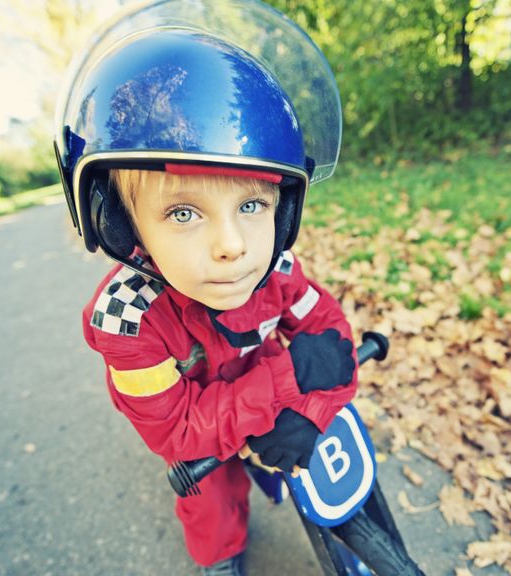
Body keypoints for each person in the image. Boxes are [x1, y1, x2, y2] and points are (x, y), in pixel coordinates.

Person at [53, 7, 356, 575]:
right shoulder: (127, 321)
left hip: (261, 405)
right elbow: (177, 432)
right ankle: (219, 560)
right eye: (184, 211)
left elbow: (334, 343)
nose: (232, 246)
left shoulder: (277, 268)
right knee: (210, 502)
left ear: (283, 209)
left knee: (306, 444)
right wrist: (292, 380)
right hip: (203, 438)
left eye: (251, 205)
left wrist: (313, 412)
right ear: (123, 224)